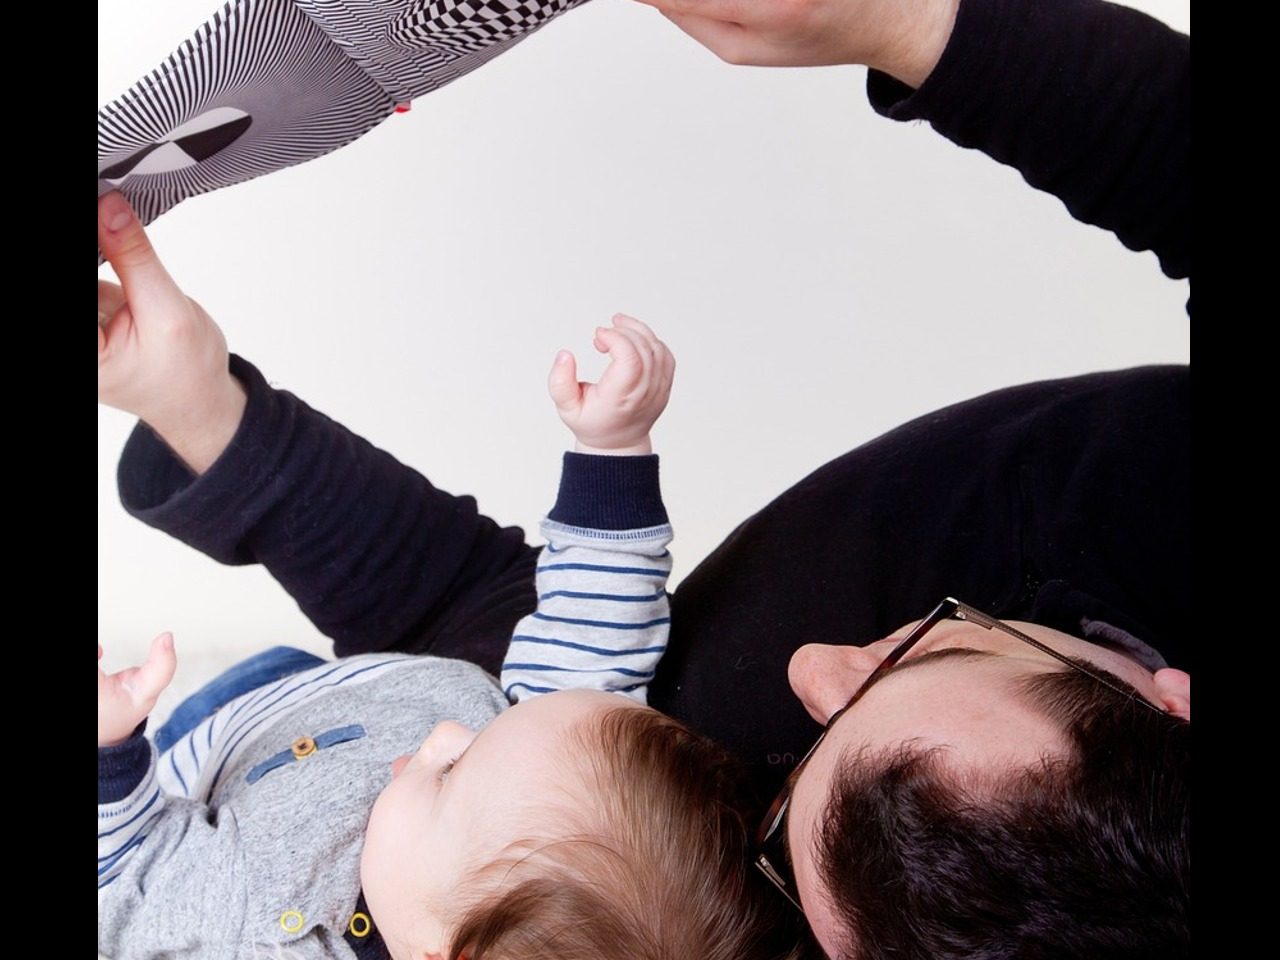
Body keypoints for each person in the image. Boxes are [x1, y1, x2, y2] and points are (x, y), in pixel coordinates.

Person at [99, 0, 1192, 953]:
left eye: (775, 825)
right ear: (1169, 702)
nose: (810, 669)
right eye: (934, 639)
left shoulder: (660, 907)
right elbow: (507, 664)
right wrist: (911, 25)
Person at [98, 270, 792, 960]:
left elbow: (135, 880)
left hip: (180, 788)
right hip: (314, 703)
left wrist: (111, 757)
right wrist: (614, 451)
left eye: (451, 774)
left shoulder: (252, 927)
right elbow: (596, 636)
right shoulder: (557, 798)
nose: (450, 733)